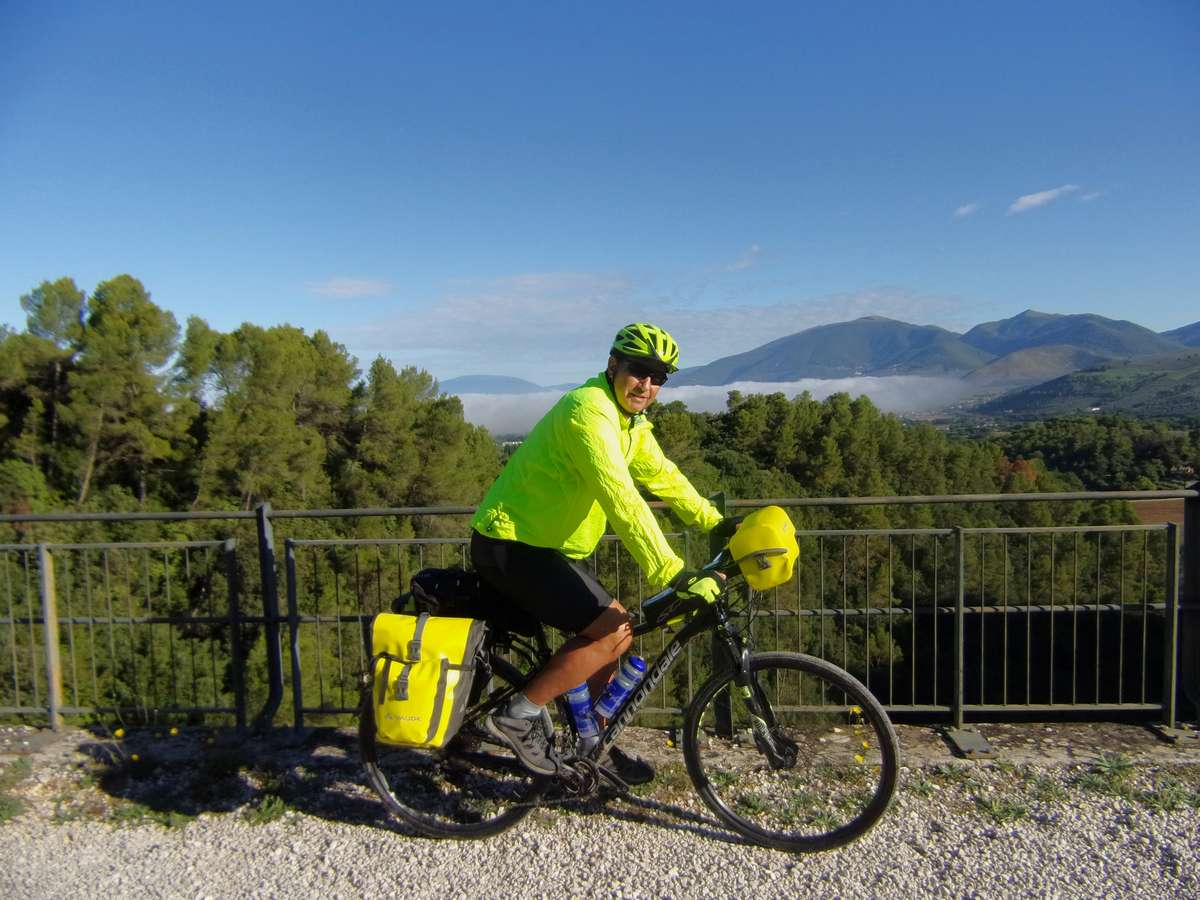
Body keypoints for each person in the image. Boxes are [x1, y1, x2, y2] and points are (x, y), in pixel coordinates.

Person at [470, 322, 729, 783]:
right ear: (614, 365)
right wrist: (672, 570)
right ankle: (517, 715)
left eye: (660, 376)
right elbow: (620, 495)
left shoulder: (629, 423)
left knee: (618, 635)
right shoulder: (588, 412)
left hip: (541, 545)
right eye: (639, 370)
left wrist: (715, 520)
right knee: (613, 629)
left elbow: (662, 474)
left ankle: (591, 745)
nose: (647, 384)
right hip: (508, 542)